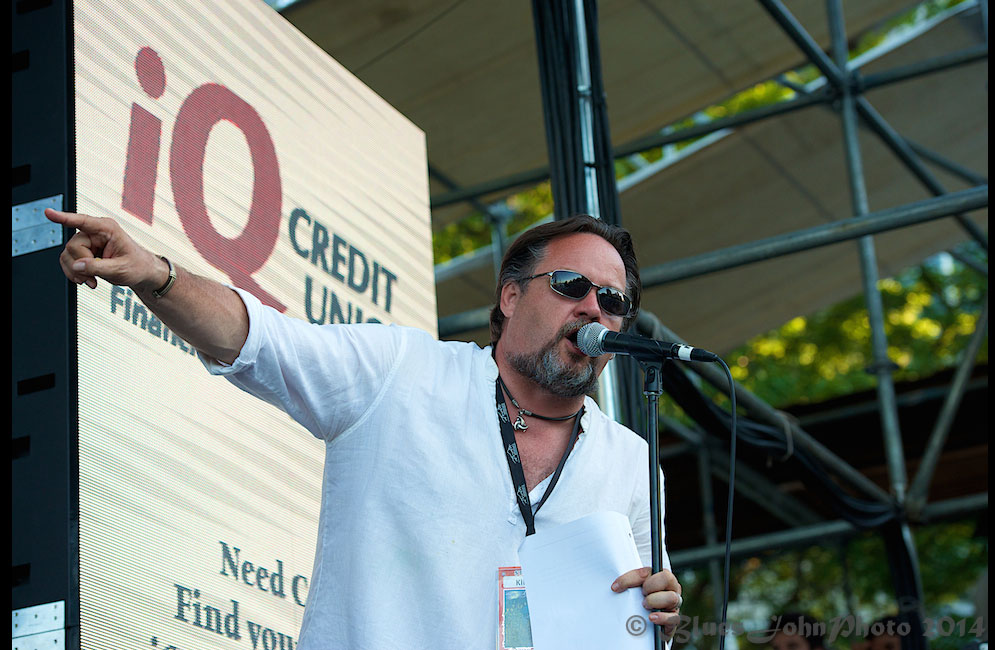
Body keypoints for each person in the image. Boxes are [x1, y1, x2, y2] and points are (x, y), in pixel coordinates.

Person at [46, 208, 682, 648]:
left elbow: (639, 622)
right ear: (511, 297)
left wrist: (659, 619)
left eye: (614, 300)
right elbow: (261, 341)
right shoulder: (401, 371)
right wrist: (157, 274)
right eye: (572, 285)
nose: (594, 307)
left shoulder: (630, 461)